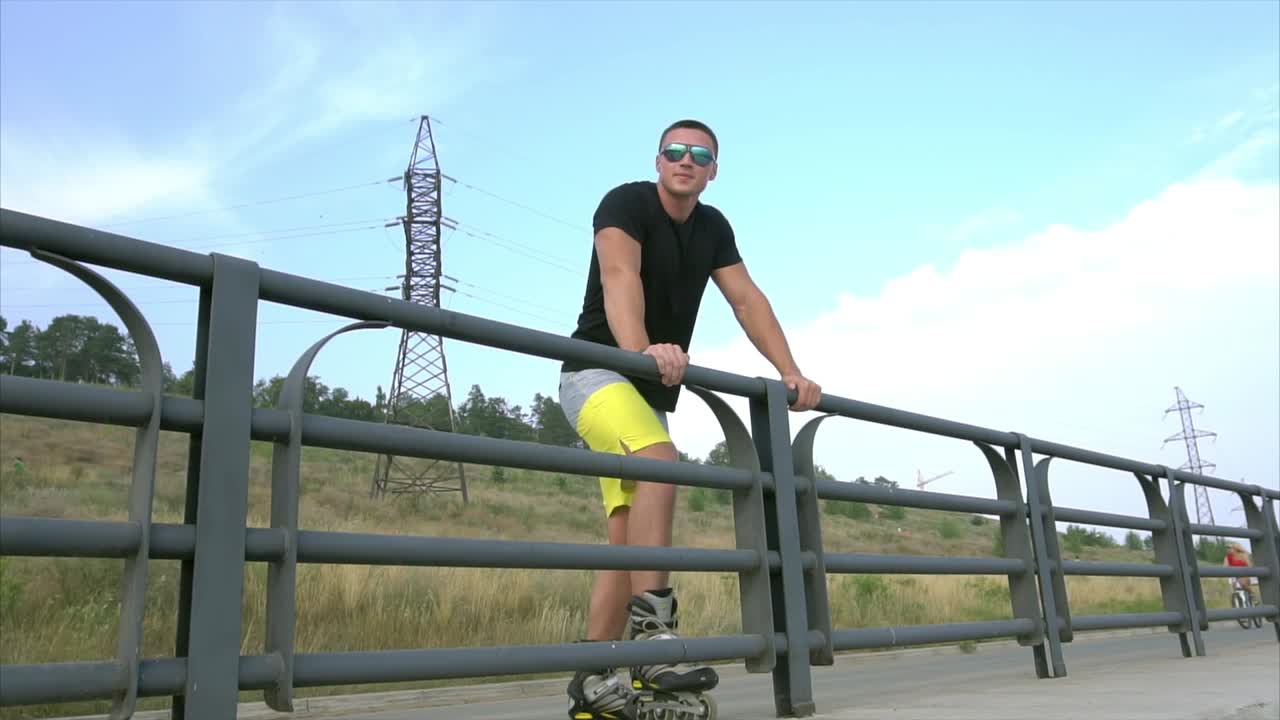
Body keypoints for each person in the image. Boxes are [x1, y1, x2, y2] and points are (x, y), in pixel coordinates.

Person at [558, 119, 822, 720]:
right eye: (674, 151)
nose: (685, 160)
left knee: (625, 535)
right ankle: (653, 640)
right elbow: (619, 275)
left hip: (646, 391)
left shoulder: (713, 227)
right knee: (661, 461)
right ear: (658, 160)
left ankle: (593, 684)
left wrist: (790, 372)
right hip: (597, 373)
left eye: (699, 155)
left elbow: (746, 298)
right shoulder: (625, 202)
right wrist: (640, 350)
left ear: (712, 171)